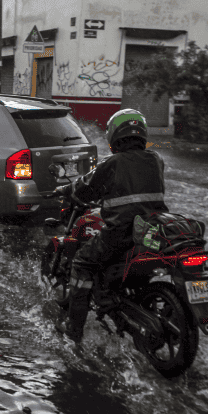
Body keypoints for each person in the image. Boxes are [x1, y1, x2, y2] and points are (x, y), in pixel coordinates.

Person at [54, 109, 169, 343]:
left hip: (121, 232)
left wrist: (67, 190)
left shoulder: (113, 163)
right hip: (152, 231)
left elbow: (87, 186)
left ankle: (74, 329)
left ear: (115, 135)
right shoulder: (156, 160)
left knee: (82, 263)